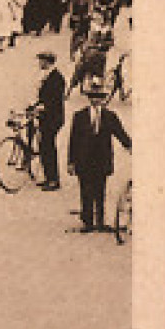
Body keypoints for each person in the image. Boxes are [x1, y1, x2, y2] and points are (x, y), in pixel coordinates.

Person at [68, 84, 132, 232]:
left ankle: (100, 222)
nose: (96, 100)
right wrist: (71, 162)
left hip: (102, 159)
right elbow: (73, 140)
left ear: (104, 99)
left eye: (99, 97)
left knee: (100, 190)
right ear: (89, 99)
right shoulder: (79, 116)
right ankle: (88, 222)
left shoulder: (110, 116)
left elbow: (120, 133)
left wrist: (130, 146)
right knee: (85, 190)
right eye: (93, 97)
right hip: (83, 159)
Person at [34, 51, 67, 190]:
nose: (39, 63)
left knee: (48, 147)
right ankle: (48, 177)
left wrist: (42, 107)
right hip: (46, 116)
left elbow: (54, 100)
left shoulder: (57, 78)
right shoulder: (48, 75)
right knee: (44, 146)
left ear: (47, 62)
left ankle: (53, 180)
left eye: (41, 61)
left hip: (53, 118)